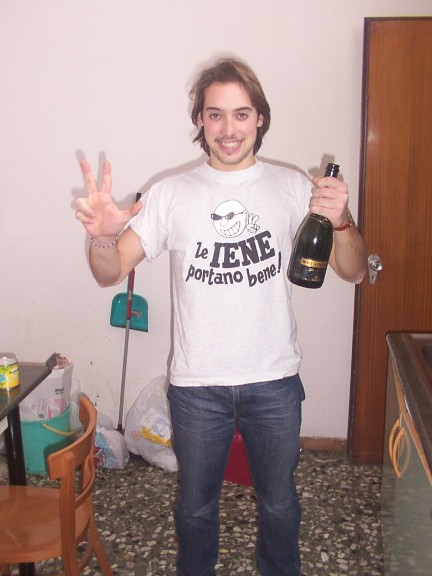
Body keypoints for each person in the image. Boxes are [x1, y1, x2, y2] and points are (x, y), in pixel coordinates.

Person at [75, 57, 368, 576]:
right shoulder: (171, 193)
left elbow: (353, 270)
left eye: (241, 114)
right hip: (197, 387)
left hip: (274, 380)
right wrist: (102, 235)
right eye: (215, 115)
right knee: (195, 507)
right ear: (200, 121)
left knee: (280, 503)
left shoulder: (292, 187)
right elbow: (109, 271)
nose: (228, 129)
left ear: (260, 118)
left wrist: (341, 221)